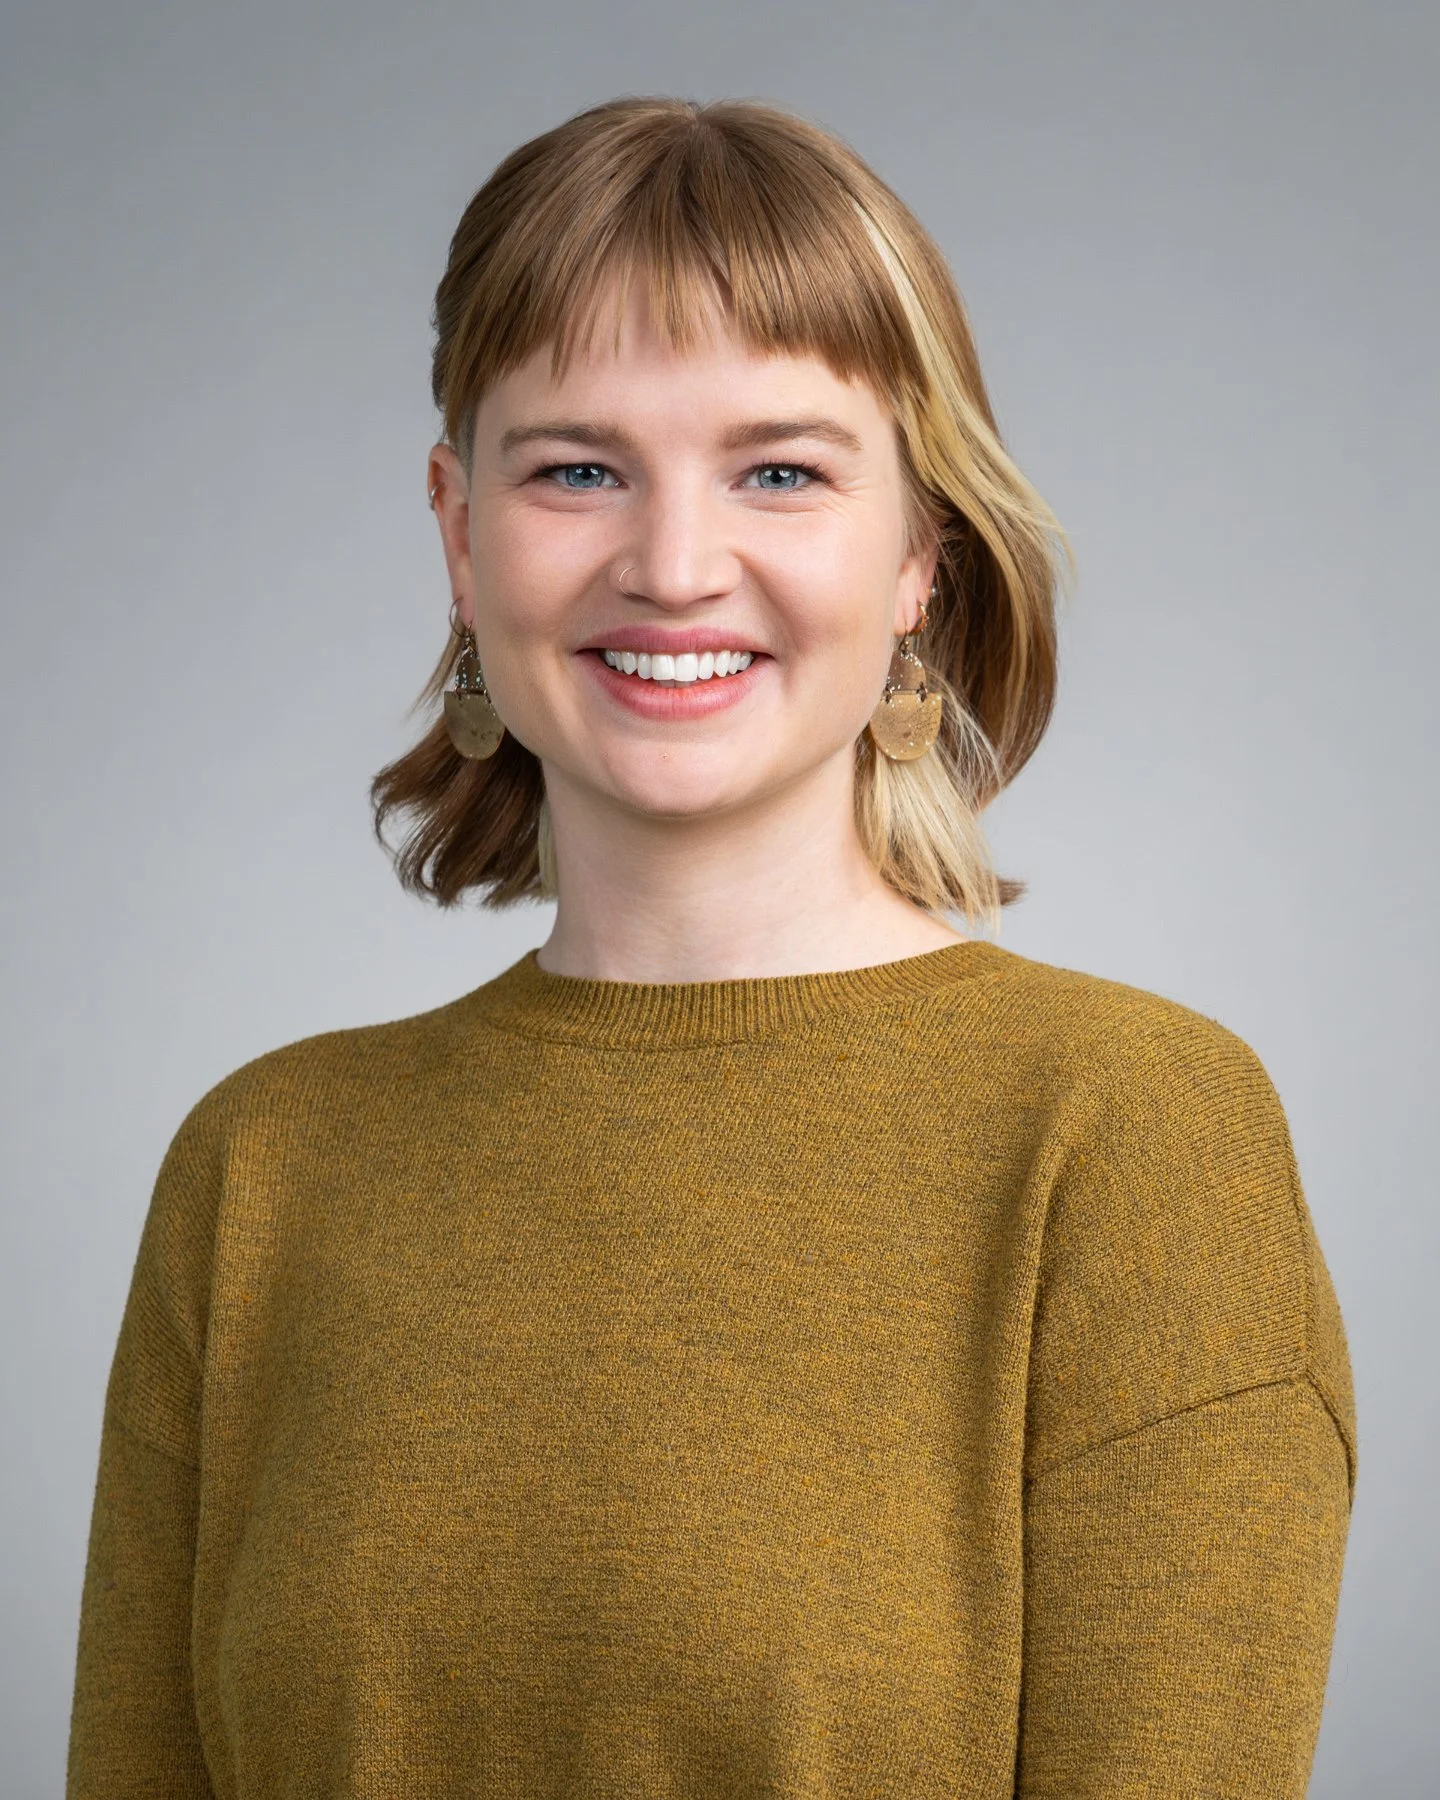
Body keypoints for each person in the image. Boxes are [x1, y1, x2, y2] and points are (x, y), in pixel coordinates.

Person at [66, 96, 1357, 1798]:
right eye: (578, 468)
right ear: (461, 533)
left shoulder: (1130, 1135)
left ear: (920, 555)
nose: (673, 565)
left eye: (781, 470)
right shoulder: (262, 1168)